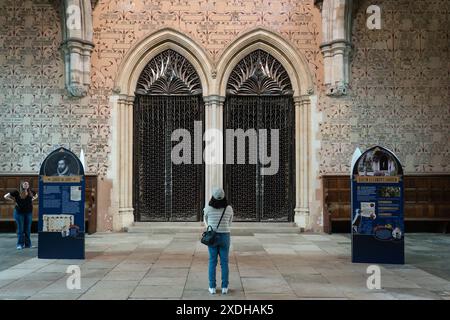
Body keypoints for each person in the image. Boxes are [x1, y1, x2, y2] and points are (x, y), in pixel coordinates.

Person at [203, 187, 233, 295]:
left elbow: (205, 219)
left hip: (212, 237)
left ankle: (212, 287)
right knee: (224, 262)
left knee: (212, 261)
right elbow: (230, 221)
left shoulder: (208, 208)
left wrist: (209, 227)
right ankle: (225, 287)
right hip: (225, 236)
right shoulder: (228, 208)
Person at [4, 181, 38, 250]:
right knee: (20, 230)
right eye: (25, 184)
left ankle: (28, 244)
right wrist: (13, 201)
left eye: (27, 184)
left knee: (27, 230)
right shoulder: (17, 192)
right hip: (19, 213)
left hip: (28, 213)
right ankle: (20, 244)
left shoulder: (31, 192)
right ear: (22, 185)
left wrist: (32, 199)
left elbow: (36, 196)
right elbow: (5, 196)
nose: (26, 185)